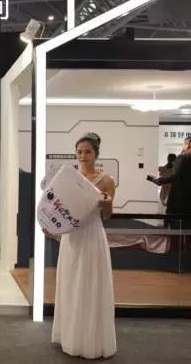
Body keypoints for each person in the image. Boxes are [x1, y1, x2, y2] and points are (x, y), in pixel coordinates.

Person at [51, 132, 117, 359]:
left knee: (90, 285)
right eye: (79, 151)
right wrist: (52, 226)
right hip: (71, 237)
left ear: (96, 154)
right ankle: (69, 336)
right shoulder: (68, 177)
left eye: (87, 151)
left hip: (92, 235)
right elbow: (58, 207)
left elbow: (107, 215)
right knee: (71, 284)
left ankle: (90, 341)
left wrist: (106, 203)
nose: (83, 155)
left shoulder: (106, 180)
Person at [149, 136, 191, 273]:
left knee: (176, 235)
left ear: (188, 145)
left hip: (179, 205)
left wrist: (159, 180)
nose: (183, 147)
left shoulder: (183, 158)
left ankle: (177, 264)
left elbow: (175, 177)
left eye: (184, 145)